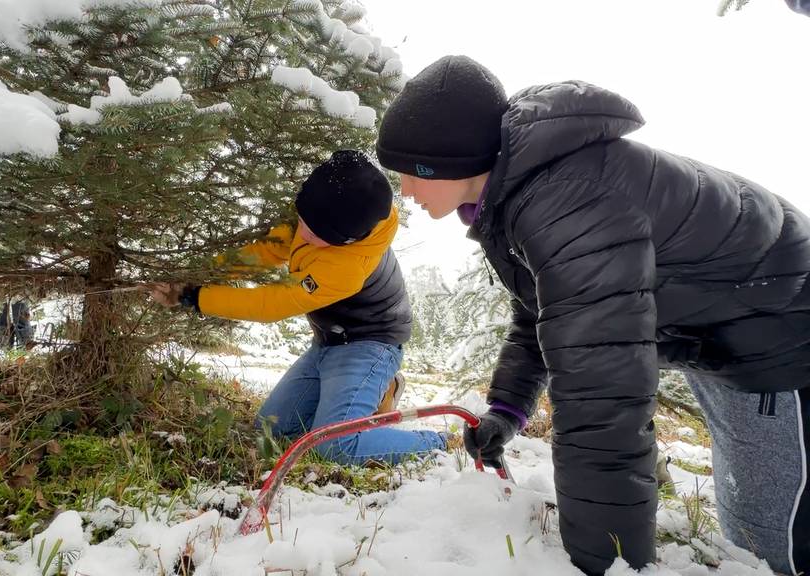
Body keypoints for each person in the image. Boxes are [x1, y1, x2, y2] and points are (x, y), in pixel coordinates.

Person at [375, 55, 810, 575]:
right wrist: (508, 410)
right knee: (748, 515)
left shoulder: (567, 202)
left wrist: (602, 564)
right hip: (720, 329)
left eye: (410, 172)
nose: (405, 190)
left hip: (781, 325)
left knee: (771, 543)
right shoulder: (521, 190)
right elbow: (544, 312)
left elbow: (599, 391)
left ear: (449, 162)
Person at [148, 150, 448, 465]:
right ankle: (369, 396)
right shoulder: (327, 208)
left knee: (335, 447)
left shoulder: (346, 269)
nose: (301, 233)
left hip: (370, 345)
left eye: (314, 233)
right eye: (301, 221)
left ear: (345, 240)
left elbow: (271, 303)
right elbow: (264, 252)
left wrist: (194, 297)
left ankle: (435, 441)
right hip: (326, 343)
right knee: (270, 433)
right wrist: (198, 275)